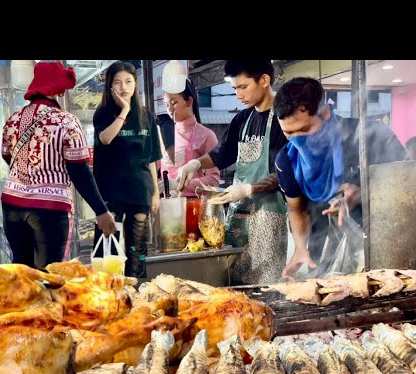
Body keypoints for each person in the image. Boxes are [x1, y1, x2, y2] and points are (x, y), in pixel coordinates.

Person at [273, 77, 407, 279]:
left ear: (325, 113)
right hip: (324, 251)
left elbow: (408, 186)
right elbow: (296, 208)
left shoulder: (370, 136)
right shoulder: (287, 160)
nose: (298, 140)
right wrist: (300, 248)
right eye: (289, 133)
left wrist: (363, 194)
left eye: (304, 129)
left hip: (381, 244)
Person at [178, 60, 289, 285]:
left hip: (268, 217)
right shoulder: (242, 119)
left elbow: (286, 172)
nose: (238, 94)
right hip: (238, 216)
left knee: (264, 288)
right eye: (235, 88)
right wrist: (196, 164)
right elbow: (221, 154)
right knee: (234, 284)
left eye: (243, 87)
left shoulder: (284, 119)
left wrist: (249, 188)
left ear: (265, 80)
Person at [1, 61, 115, 270]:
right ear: (57, 90)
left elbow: (7, 156)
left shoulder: (12, 120)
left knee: (23, 274)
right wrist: (101, 211)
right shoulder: (66, 121)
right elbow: (79, 171)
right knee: (48, 276)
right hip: (49, 209)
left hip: (12, 205)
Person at [92, 61, 162, 278]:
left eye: (129, 82)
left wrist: (156, 192)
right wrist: (124, 111)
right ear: (110, 86)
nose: (124, 87)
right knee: (108, 254)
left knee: (137, 253)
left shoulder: (147, 116)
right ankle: (107, 302)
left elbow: (151, 158)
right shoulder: (102, 113)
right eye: (118, 82)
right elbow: (105, 138)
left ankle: (137, 297)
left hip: (139, 190)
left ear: (135, 85)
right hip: (110, 192)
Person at [162, 78, 220, 197]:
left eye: (174, 103)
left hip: (192, 206)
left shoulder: (206, 135)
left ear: (189, 101)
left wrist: (177, 185)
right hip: (165, 205)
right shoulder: (162, 135)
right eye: (167, 105)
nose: (170, 109)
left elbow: (214, 181)